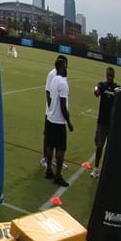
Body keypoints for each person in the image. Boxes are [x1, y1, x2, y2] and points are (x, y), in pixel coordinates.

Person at [44, 56, 74, 186]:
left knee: (50, 145)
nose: (67, 68)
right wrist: (69, 122)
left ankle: (48, 169)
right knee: (61, 149)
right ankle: (58, 176)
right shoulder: (63, 83)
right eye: (65, 66)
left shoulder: (54, 80)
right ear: (62, 68)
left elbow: (50, 97)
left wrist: (51, 110)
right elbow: (63, 106)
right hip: (58, 121)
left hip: (50, 118)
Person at [92, 67, 119, 178]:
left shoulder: (117, 88)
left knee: (110, 149)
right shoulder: (102, 85)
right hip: (102, 122)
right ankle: (96, 169)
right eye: (108, 75)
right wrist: (96, 90)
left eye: (111, 76)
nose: (109, 78)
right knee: (99, 146)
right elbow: (97, 89)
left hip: (112, 124)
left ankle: (107, 171)